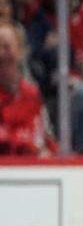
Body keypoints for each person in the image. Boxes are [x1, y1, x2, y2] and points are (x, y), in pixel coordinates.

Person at [0, 21, 55, 156]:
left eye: (6, 47)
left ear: (20, 51)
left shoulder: (32, 94)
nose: (0, 54)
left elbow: (46, 141)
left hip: (28, 171)